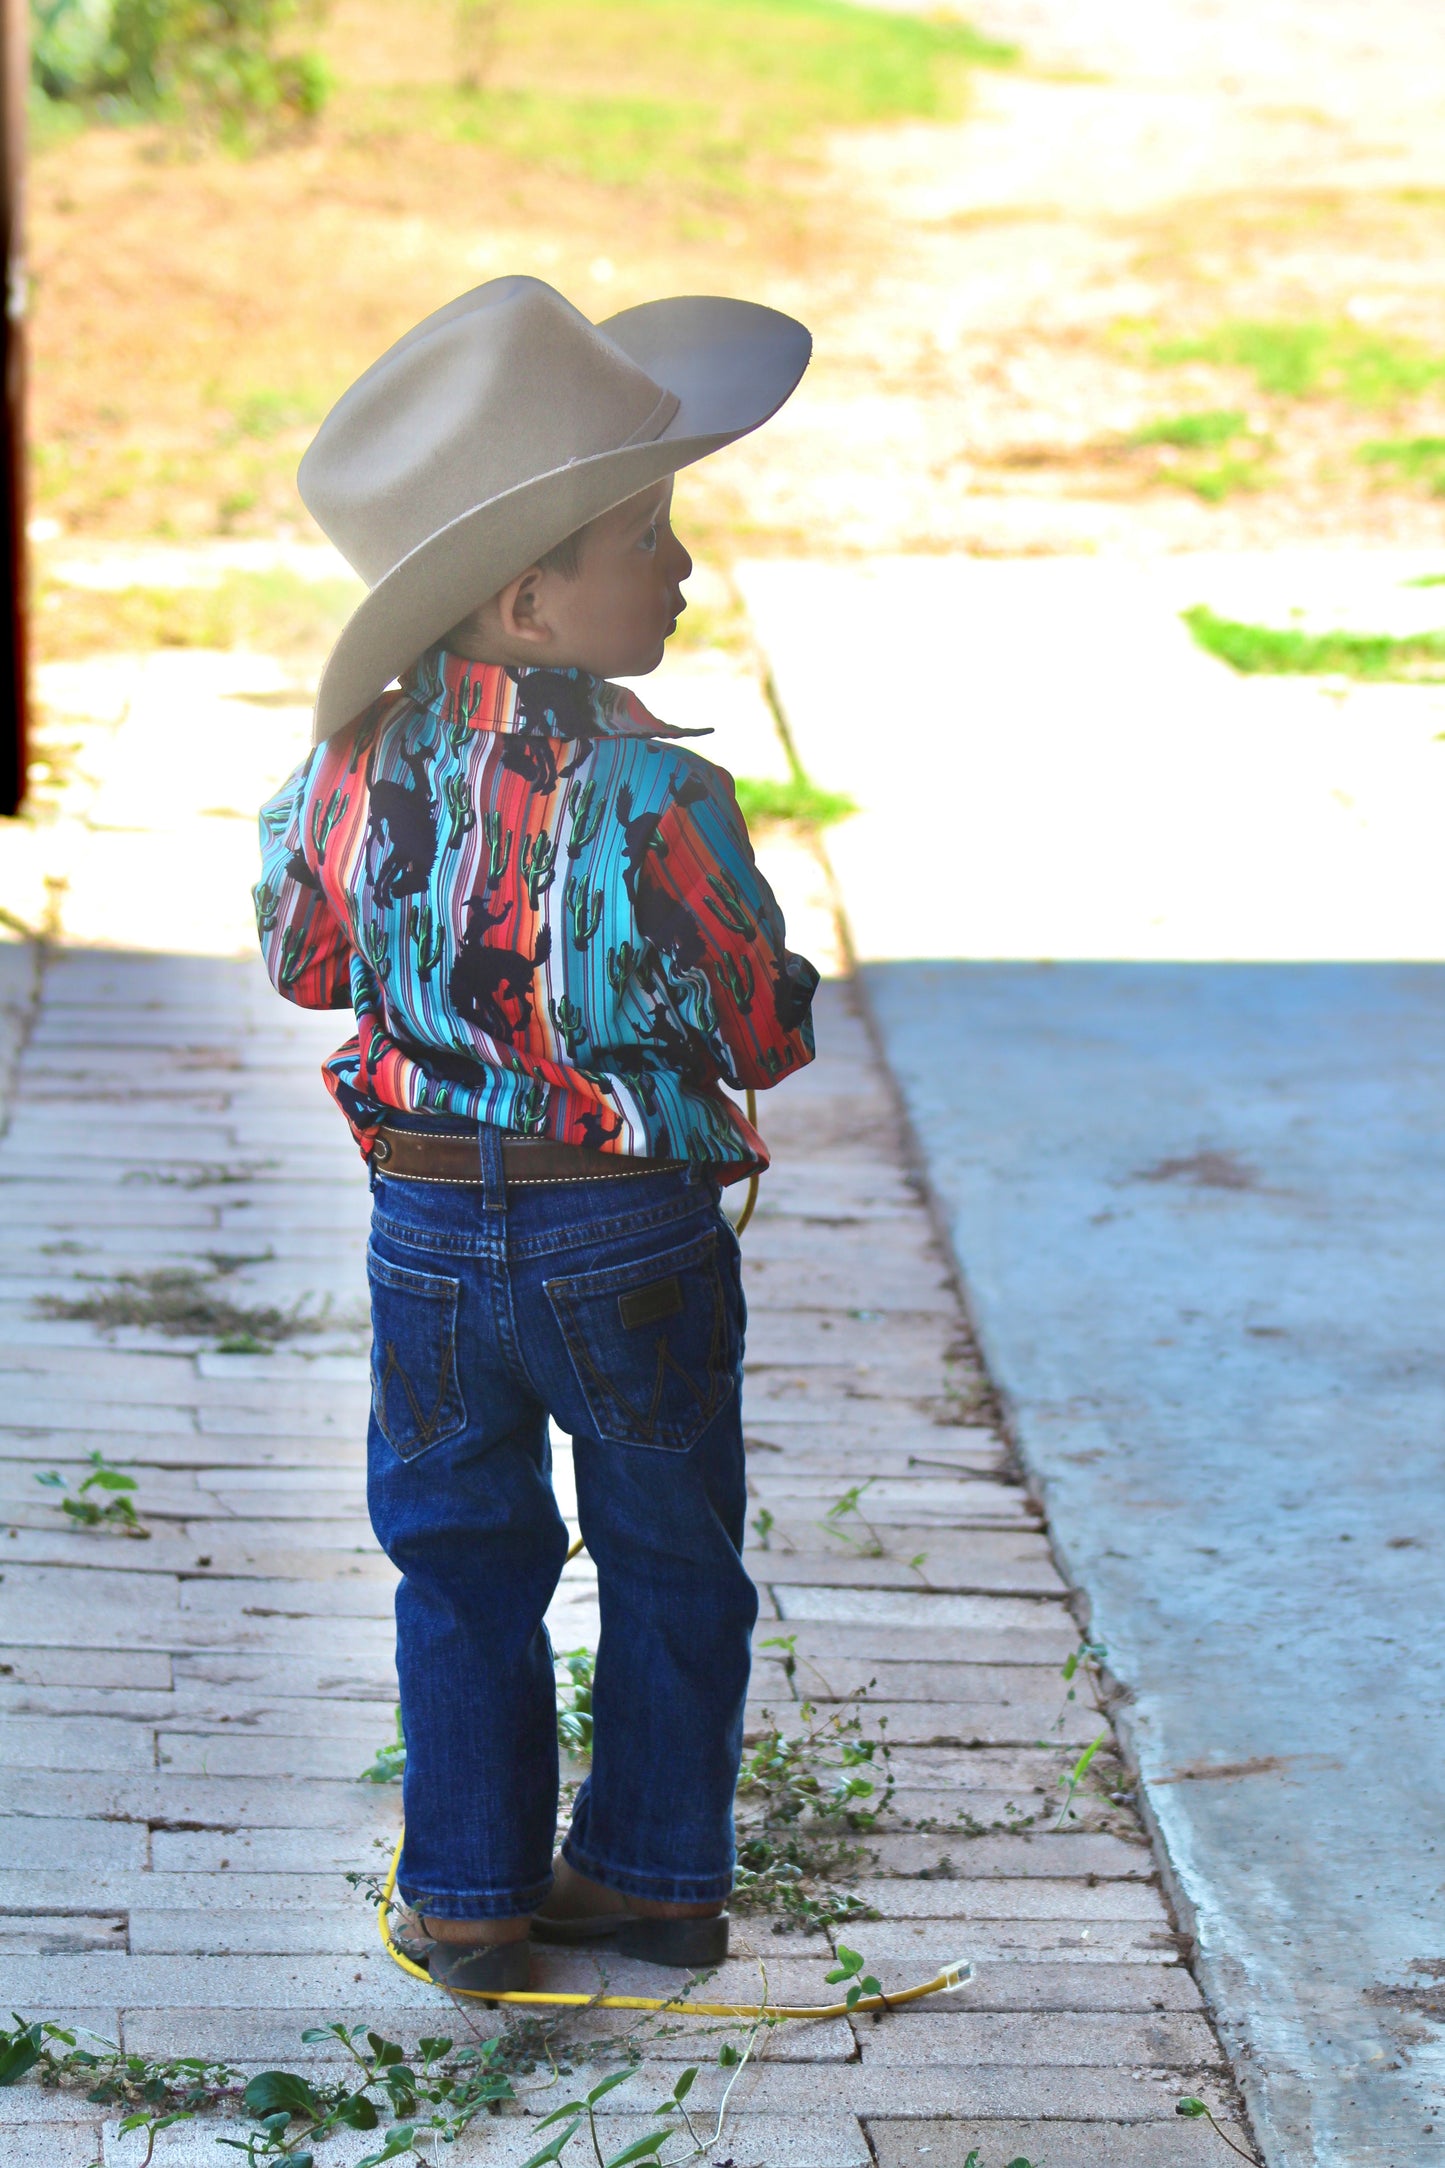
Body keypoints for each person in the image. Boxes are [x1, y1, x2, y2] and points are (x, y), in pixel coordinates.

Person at [254, 276, 818, 1992]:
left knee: (459, 1558)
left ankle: (472, 1893)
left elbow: (303, 964)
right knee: (666, 1553)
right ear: (532, 599)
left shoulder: (347, 769)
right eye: (645, 535)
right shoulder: (657, 794)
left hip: (423, 1230)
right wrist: (769, 993)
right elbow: (755, 1028)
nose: (682, 566)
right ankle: (651, 1876)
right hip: (625, 1230)